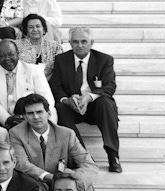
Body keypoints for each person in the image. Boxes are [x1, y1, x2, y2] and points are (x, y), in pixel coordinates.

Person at [9, 92, 99, 191]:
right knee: (33, 184)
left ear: (49, 113)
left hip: (61, 181)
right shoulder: (16, 133)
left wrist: (74, 179)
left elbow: (88, 163)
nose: (36, 117)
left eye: (39, 112)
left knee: (85, 183)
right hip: (36, 180)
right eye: (30, 113)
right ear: (25, 117)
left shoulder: (66, 134)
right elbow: (21, 163)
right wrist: (47, 176)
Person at [50, 27, 121, 173]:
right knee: (59, 107)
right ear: (70, 43)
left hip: (95, 107)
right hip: (72, 106)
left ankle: (113, 155)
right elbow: (55, 87)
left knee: (105, 102)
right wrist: (66, 100)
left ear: (92, 43)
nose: (80, 45)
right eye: (75, 42)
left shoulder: (104, 60)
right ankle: (82, 155)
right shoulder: (61, 60)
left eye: (84, 41)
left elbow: (109, 86)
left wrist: (88, 97)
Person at [0, 38, 55, 127]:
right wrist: (7, 119)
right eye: (2, 56)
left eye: (10, 54)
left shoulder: (34, 71)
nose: (7, 59)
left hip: (31, 115)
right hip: (5, 119)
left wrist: (30, 116)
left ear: (18, 53)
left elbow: (46, 98)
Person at [15, 13, 63, 78]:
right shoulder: (16, 45)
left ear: (43, 29)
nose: (35, 30)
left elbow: (60, 68)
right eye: (31, 27)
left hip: (50, 82)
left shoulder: (55, 46)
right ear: (26, 30)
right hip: (24, 81)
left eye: (38, 26)